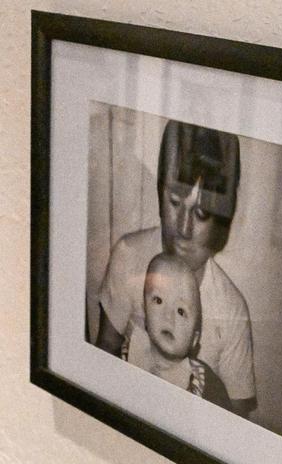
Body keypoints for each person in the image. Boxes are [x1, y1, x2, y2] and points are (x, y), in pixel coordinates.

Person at [94, 119, 256, 417]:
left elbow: (238, 416)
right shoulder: (128, 255)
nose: (183, 227)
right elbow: (104, 351)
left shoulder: (232, 310)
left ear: (222, 219)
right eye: (174, 201)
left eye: (202, 213)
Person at [121, 253, 232, 411]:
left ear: (195, 339)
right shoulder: (126, 353)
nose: (168, 316)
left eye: (181, 311)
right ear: (144, 312)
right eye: (158, 300)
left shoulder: (209, 387)